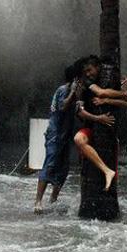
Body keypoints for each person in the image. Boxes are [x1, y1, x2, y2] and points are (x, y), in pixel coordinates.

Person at [73, 55, 127, 192]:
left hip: (107, 131)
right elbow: (99, 94)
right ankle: (107, 171)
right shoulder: (86, 83)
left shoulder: (110, 79)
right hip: (91, 125)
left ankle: (109, 175)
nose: (88, 74)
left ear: (98, 67)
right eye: (85, 71)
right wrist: (122, 94)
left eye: (90, 70)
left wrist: (107, 101)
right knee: (78, 139)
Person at [34, 64, 81, 214]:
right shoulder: (64, 90)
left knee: (64, 169)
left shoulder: (75, 94)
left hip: (65, 136)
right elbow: (62, 107)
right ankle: (38, 201)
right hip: (55, 134)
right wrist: (73, 92)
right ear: (75, 79)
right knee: (50, 164)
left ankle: (53, 199)